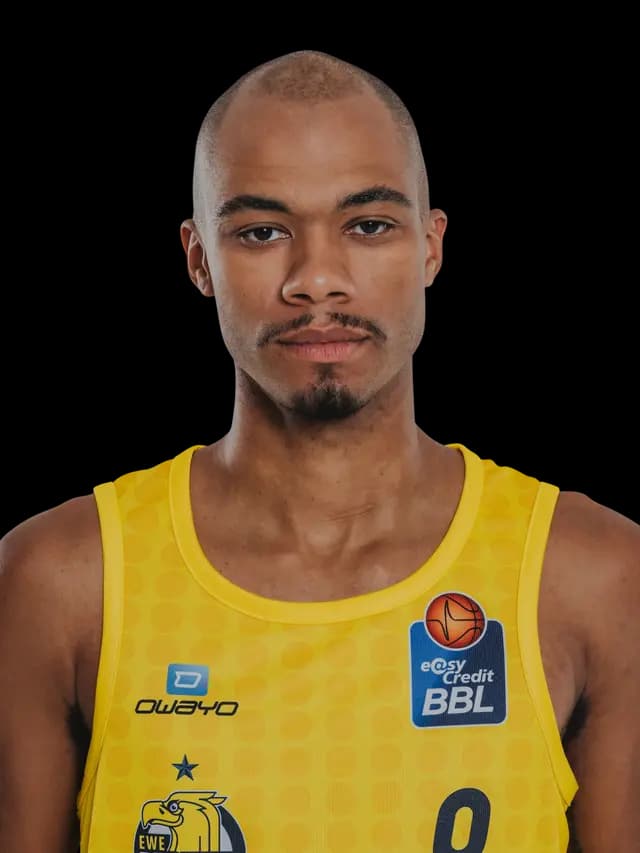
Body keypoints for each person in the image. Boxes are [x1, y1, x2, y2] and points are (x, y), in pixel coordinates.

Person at [0, 49, 637, 853]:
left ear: (431, 246)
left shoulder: (585, 574)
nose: (318, 279)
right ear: (199, 259)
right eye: (262, 232)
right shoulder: (65, 579)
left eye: (368, 225)